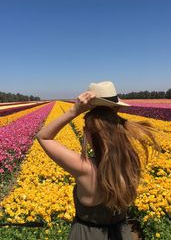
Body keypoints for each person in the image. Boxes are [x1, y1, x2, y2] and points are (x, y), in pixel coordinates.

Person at [36, 81, 160, 240]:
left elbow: (43, 137)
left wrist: (74, 110)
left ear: (89, 133)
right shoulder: (131, 161)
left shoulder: (85, 168)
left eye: (85, 127)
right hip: (122, 234)